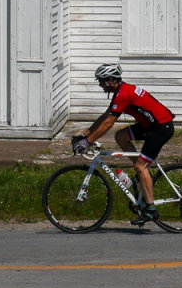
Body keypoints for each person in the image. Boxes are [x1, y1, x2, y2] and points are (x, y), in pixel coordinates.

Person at [71, 63, 175, 226]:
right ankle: (142, 174)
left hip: (161, 127)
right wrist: (86, 134)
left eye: (102, 81)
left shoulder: (124, 94)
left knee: (140, 166)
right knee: (121, 136)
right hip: (151, 125)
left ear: (111, 80)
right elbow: (106, 115)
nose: (100, 85)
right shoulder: (121, 90)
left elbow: (108, 124)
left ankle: (151, 210)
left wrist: (88, 142)